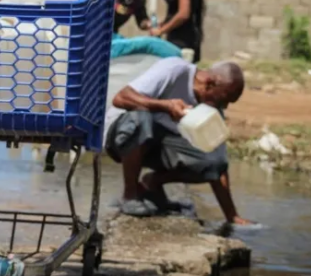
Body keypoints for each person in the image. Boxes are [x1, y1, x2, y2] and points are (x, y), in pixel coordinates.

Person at [104, 57, 250, 225]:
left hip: (157, 146)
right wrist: (165, 106)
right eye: (224, 99)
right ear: (210, 83)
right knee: (141, 117)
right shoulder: (175, 70)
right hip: (122, 136)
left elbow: (219, 165)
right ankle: (130, 196)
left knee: (214, 161)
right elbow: (121, 98)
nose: (224, 107)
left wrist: (232, 216)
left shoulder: (210, 108)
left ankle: (153, 182)